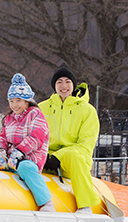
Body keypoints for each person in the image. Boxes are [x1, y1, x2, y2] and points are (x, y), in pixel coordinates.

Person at [0, 74, 54, 211]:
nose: (14, 105)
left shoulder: (35, 114)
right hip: (9, 160)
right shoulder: (9, 118)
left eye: (18, 100)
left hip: (28, 158)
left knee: (26, 168)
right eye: (11, 101)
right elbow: (3, 138)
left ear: (27, 101)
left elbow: (36, 137)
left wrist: (19, 153)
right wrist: (0, 153)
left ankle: (45, 202)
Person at [38, 66, 101, 214]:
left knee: (75, 157)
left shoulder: (87, 110)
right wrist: (42, 154)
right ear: (54, 85)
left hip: (72, 159)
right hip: (45, 156)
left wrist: (58, 156)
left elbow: (86, 145)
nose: (64, 86)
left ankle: (85, 205)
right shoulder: (42, 108)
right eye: (59, 82)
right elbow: (34, 135)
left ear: (74, 85)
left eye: (67, 81)